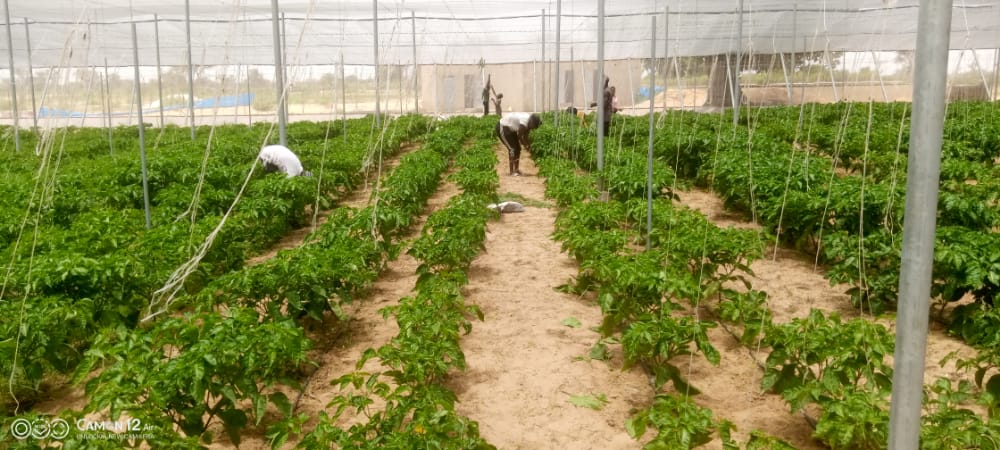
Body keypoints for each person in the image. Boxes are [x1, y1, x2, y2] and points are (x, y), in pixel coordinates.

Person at [495, 112, 541, 176]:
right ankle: (512, 172)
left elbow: (525, 137)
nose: (532, 128)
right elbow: (520, 136)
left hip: (511, 129)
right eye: (533, 126)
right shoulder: (524, 122)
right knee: (512, 149)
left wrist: (529, 146)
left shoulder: (528, 123)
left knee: (518, 148)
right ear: (532, 122)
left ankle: (516, 170)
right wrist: (526, 146)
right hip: (503, 127)